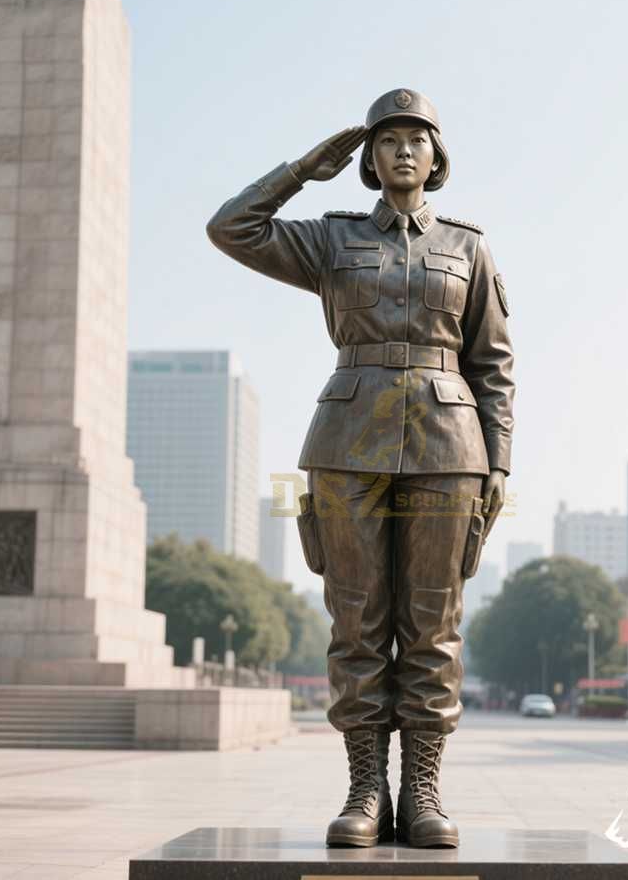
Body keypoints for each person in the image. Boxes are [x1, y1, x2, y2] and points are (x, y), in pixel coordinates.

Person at [206, 88, 515, 850]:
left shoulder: (468, 247)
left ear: (436, 157)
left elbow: (494, 366)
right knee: (357, 623)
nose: (403, 150)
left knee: (432, 626)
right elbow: (230, 228)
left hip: (450, 448)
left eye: (417, 138)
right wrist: (303, 170)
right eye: (387, 141)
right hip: (348, 441)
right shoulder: (331, 240)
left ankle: (423, 788)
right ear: (369, 160)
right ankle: (365, 788)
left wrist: (499, 462)